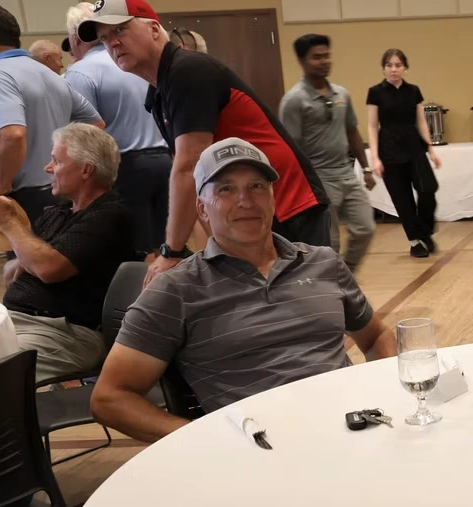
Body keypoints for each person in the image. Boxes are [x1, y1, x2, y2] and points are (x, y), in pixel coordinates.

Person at [91, 138, 396, 443]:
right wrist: (203, 441)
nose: (246, 201)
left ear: (273, 199)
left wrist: (390, 396)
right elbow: (109, 398)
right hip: (267, 450)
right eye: (225, 189)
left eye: (257, 186)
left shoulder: (322, 262)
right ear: (202, 208)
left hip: (354, 432)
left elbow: (376, 337)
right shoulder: (176, 290)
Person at [76, 0, 330, 285]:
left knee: (307, 301)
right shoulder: (158, 93)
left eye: (120, 29)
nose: (113, 43)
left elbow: (188, 166)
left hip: (289, 204)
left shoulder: (188, 71)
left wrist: (171, 251)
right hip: (250, 209)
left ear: (154, 29)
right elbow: (198, 176)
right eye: (104, 38)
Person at [0, 124, 134, 381]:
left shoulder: (109, 216)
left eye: (56, 161)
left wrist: (8, 223)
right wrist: (25, 257)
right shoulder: (60, 213)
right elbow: (25, 264)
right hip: (19, 321)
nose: (48, 168)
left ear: (86, 170)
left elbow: (48, 268)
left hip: (64, 333)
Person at [63, 2, 174, 258]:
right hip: (164, 161)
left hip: (124, 168)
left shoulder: (81, 72)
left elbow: (84, 137)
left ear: (75, 38)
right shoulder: (138, 63)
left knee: (133, 250)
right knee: (166, 246)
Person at [0, 1, 103, 224]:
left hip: (19, 197)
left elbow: (12, 135)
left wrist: (1, 185)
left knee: (28, 248)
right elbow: (96, 125)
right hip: (59, 191)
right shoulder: (51, 76)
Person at [279, 34, 375, 270]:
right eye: (317, 57)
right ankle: (331, 283)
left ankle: (346, 272)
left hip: (346, 174)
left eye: (327, 56)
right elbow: (289, 147)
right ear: (302, 61)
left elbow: (352, 132)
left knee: (365, 228)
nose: (324, 61)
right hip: (318, 178)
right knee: (329, 241)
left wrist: (366, 168)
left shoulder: (341, 94)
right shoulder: (295, 100)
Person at [366, 48, 440, 258]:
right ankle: (415, 241)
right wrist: (375, 157)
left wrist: (431, 149)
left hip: (414, 147)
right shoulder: (375, 92)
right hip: (389, 149)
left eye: (398, 65)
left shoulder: (413, 91)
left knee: (428, 189)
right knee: (402, 198)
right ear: (383, 68)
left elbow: (421, 122)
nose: (393, 69)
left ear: (405, 68)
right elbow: (372, 125)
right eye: (389, 65)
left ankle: (424, 231)